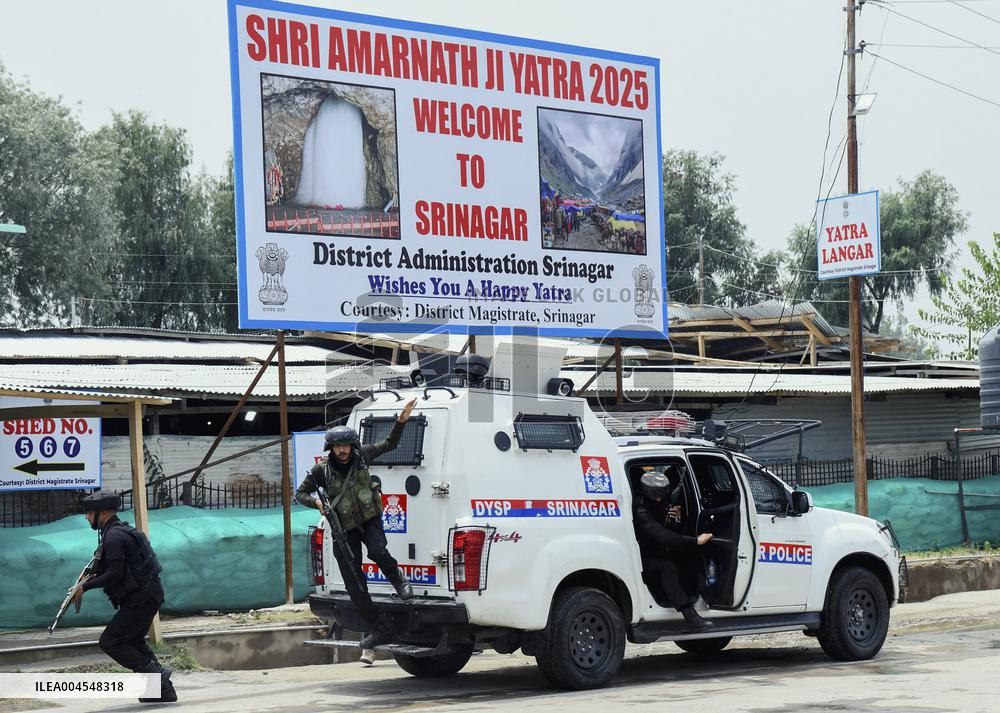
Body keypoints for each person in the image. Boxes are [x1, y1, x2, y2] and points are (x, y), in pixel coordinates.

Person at [296, 398, 418, 650]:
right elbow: (300, 493)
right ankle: (379, 628)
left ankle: (399, 582)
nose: (342, 450)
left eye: (346, 445)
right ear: (331, 448)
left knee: (378, 552)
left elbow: (390, 443)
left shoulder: (363, 455)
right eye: (337, 446)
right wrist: (317, 504)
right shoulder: (321, 470)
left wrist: (401, 421)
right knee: (354, 582)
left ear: (352, 446)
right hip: (343, 530)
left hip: (369, 519)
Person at [69, 492, 176, 704]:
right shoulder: (118, 532)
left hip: (142, 598)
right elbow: (116, 569)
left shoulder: (114, 536)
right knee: (133, 642)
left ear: (105, 513)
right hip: (147, 594)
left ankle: (156, 674)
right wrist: (87, 579)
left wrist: (85, 587)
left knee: (110, 641)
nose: (87, 517)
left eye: (90, 513)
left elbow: (116, 573)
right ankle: (163, 691)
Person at [634, 470, 715, 631]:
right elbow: (662, 535)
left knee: (690, 556)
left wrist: (677, 517)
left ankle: (703, 594)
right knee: (667, 568)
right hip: (645, 557)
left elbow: (672, 529)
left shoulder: (662, 500)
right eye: (656, 496)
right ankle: (689, 613)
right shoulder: (640, 508)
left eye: (662, 495)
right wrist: (696, 541)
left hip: (662, 550)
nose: (659, 499)